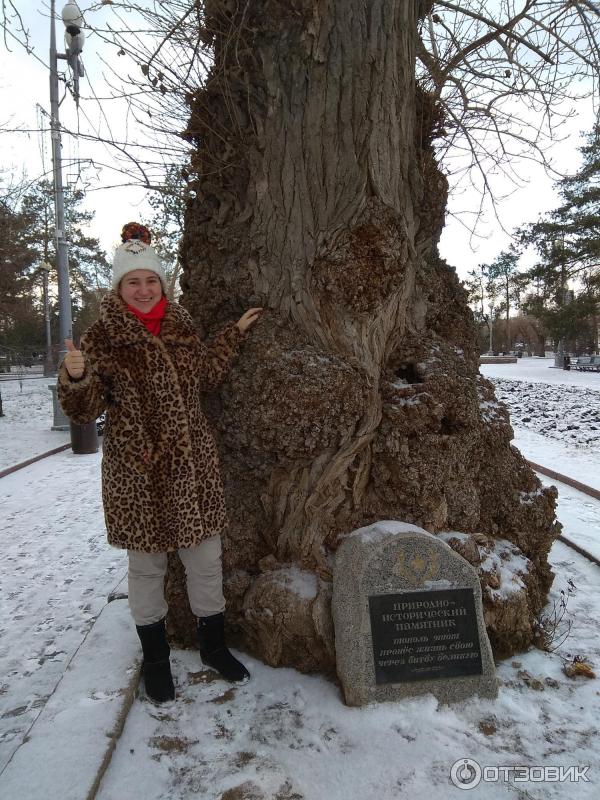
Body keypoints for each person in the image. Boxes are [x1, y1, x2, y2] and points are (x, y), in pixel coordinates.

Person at [58, 222, 262, 703]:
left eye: (151, 280)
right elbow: (86, 411)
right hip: (138, 472)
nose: (144, 290)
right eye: (134, 282)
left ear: (163, 283)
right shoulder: (103, 337)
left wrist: (232, 336)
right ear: (120, 287)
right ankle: (155, 660)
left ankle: (213, 646)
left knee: (205, 562)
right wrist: (77, 378)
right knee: (147, 569)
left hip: (193, 468)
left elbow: (205, 376)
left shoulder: (183, 325)